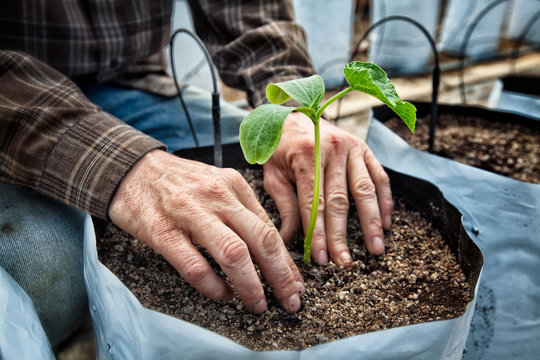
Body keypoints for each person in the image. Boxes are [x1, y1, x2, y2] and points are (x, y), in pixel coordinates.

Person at [0, 0, 393, 348]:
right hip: (19, 107)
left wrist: (291, 111)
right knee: (43, 284)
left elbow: (245, 9)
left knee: (297, 170)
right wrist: (127, 169)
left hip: (133, 85)